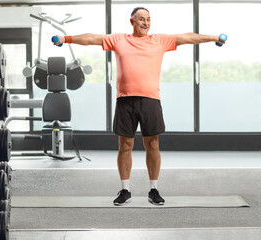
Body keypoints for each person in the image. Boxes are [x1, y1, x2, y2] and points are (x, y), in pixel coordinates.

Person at [53, 7, 226, 206]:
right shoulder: (119, 40)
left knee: (152, 144)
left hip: (151, 100)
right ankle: (125, 190)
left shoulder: (159, 40)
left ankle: (154, 189)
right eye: (141, 19)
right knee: (125, 145)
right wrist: (66, 39)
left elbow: (188, 37)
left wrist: (214, 37)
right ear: (132, 21)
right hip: (125, 100)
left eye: (149, 19)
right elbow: (92, 38)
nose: (145, 23)